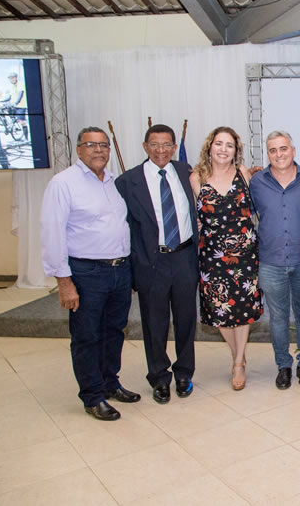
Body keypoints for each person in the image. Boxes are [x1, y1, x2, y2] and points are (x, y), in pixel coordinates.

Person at [40, 127, 139, 420]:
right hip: (87, 272)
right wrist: (64, 282)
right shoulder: (63, 183)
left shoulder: (111, 182)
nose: (99, 150)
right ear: (79, 149)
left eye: (103, 145)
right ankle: (93, 396)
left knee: (114, 331)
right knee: (87, 335)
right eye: (91, 145)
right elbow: (52, 233)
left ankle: (110, 382)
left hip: (119, 269)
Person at [116, 124, 198, 404]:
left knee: (186, 319)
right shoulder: (128, 182)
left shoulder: (188, 173)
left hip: (185, 257)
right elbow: (125, 228)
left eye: (166, 145)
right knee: (154, 322)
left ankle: (184, 372)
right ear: (145, 147)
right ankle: (159, 377)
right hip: (151, 262)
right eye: (154, 144)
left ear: (174, 147)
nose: (161, 150)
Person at [190, 127, 262, 391]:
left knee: (242, 309)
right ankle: (236, 354)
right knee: (219, 309)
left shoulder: (243, 173)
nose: (223, 149)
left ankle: (239, 361)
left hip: (244, 253)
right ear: (209, 147)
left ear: (236, 150)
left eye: (229, 145)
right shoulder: (196, 177)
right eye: (219, 143)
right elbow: (195, 215)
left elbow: (256, 208)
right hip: (212, 255)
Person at [249, 130, 300, 390]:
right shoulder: (257, 182)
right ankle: (283, 366)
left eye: (283, 148)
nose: (279, 154)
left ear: (293, 151)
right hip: (270, 261)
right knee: (277, 318)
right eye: (273, 150)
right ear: (268, 154)